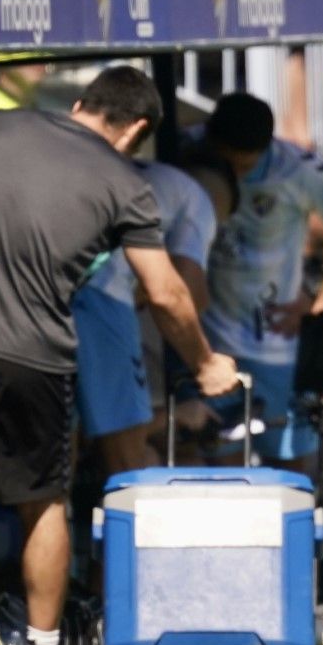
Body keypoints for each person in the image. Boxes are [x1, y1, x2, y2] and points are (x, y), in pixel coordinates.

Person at [0, 65, 240, 645]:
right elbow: (164, 292)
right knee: (42, 502)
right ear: (136, 129)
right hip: (35, 357)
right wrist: (207, 361)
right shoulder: (124, 183)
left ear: (79, 104)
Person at [185, 92, 323, 468]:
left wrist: (322, 300)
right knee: (223, 473)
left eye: (243, 166)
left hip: (277, 346)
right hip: (214, 345)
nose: (234, 174)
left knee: (288, 473)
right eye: (227, 163)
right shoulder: (187, 150)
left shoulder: (298, 170)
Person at [75, 159, 220, 476]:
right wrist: (206, 363)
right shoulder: (199, 201)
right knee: (130, 461)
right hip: (101, 294)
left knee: (65, 439)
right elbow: (183, 297)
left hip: (53, 289)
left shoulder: (122, 176)